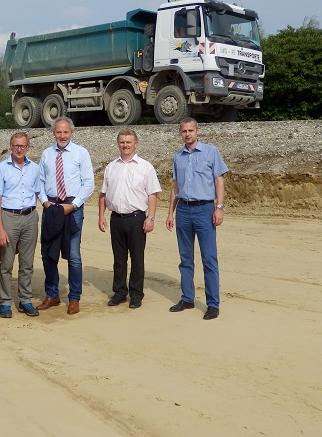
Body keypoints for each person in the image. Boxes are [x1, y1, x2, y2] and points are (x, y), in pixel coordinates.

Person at [165, 117, 228, 320]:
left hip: (204, 210)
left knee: (209, 258)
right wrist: (170, 212)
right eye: (184, 131)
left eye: (191, 130)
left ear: (197, 131)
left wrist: (219, 207)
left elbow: (219, 180)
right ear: (180, 133)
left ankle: (212, 304)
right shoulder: (178, 157)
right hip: (183, 210)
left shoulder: (211, 152)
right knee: (185, 259)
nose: (188, 134)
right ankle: (187, 298)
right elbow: (175, 186)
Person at [36, 117, 94, 315]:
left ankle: (74, 297)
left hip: (73, 208)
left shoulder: (81, 153)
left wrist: (74, 205)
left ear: (72, 133)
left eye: (65, 132)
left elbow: (88, 184)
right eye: (59, 132)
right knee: (48, 254)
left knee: (74, 255)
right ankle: (52, 294)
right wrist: (44, 202)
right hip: (51, 207)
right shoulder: (46, 154)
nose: (62, 136)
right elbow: (40, 182)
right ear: (53, 133)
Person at [98, 129, 161, 309]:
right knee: (119, 259)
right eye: (122, 142)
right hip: (116, 219)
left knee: (137, 258)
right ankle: (119, 293)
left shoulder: (145, 167)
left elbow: (152, 195)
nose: (125, 145)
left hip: (137, 219)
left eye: (128, 142)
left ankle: (136, 294)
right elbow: (103, 194)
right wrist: (101, 215)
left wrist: (151, 218)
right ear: (118, 144)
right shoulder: (111, 167)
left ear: (136, 144)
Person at [0, 132, 40, 319]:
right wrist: (0, 227)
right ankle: (5, 302)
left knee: (27, 263)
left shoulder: (34, 168)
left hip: (29, 217)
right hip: (8, 216)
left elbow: (36, 193)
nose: (19, 149)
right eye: (16, 145)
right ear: (10, 146)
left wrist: (30, 211)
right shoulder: (1, 168)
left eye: (23, 146)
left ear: (28, 147)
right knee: (7, 263)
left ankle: (25, 300)